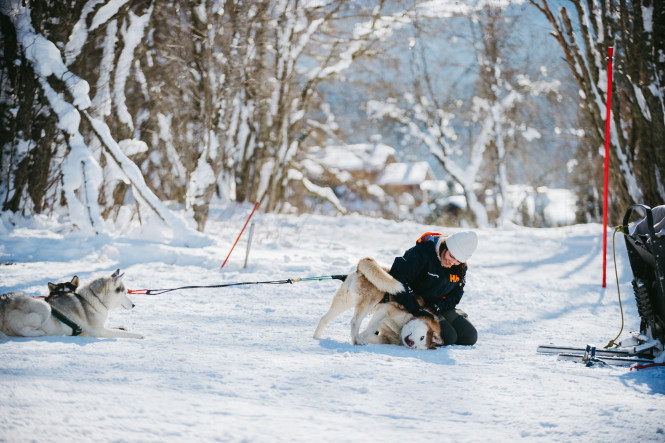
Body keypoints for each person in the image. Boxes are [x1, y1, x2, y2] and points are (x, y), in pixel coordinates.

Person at [388, 231, 478, 346]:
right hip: (414, 305)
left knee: (469, 336)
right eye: (451, 256)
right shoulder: (422, 253)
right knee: (449, 337)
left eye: (458, 260)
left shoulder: (459, 268)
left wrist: (438, 306)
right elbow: (398, 278)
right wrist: (415, 308)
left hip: (438, 307)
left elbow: (456, 295)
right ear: (446, 246)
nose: (452, 262)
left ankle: (444, 317)